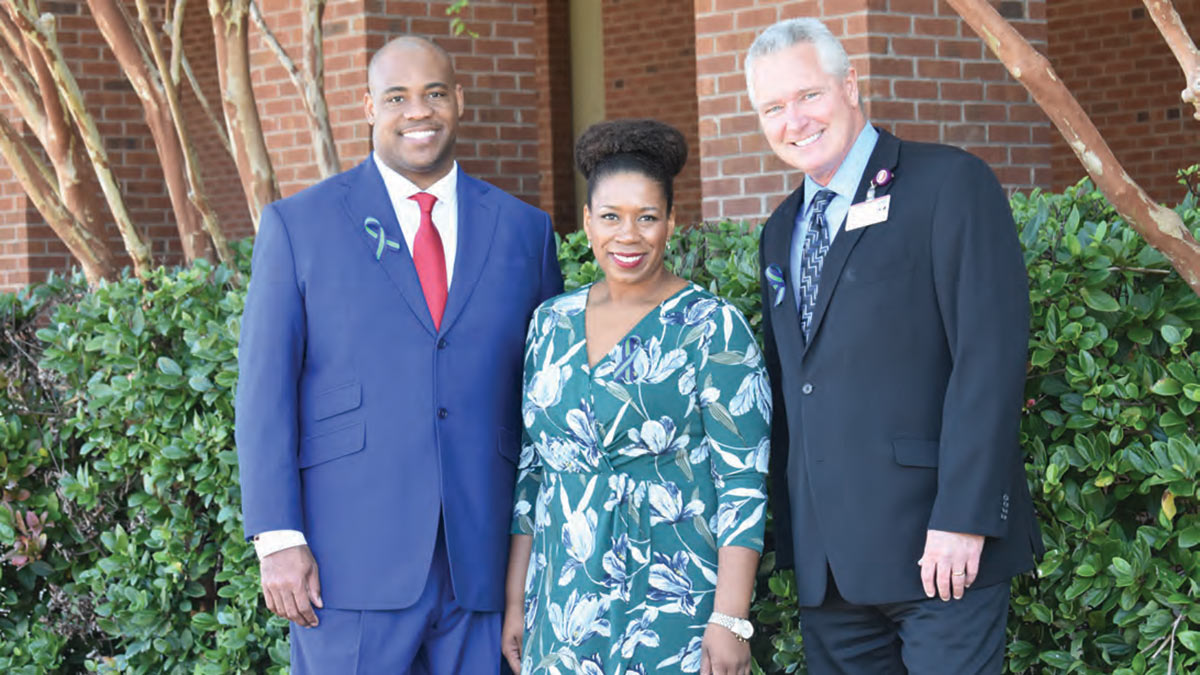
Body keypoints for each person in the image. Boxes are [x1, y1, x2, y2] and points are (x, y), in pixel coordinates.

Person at [235, 36, 562, 673]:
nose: (419, 111)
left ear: (459, 101)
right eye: (397, 97)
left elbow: (542, 397)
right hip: (348, 562)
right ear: (367, 107)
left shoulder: (526, 230)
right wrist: (277, 539)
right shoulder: (298, 225)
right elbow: (264, 391)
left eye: (435, 93)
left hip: (483, 562)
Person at [747, 18, 1043, 674]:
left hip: (940, 552)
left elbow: (989, 357)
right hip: (831, 572)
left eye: (808, 95)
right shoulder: (778, 232)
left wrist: (964, 517)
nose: (793, 120)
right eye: (773, 107)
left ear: (850, 85)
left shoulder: (949, 186)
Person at [500, 119, 771, 675]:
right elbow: (533, 472)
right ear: (586, 222)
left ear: (671, 222)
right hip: (563, 602)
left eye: (647, 217)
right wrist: (516, 601)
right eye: (611, 217)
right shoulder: (550, 323)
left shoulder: (710, 328)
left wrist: (731, 617)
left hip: (674, 600)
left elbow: (743, 480)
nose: (628, 236)